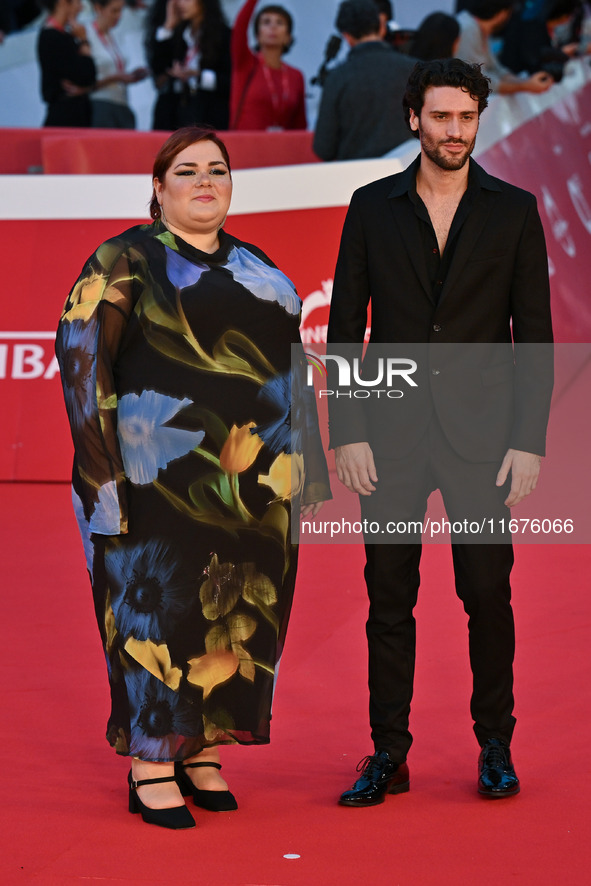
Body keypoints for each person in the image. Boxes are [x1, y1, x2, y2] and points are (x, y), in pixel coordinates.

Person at [55, 127, 330, 829]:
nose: (205, 181)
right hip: (153, 482)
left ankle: (202, 744)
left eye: (217, 170)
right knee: (159, 615)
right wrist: (102, 474)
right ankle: (152, 759)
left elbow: (289, 368)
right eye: (187, 171)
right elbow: (84, 364)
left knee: (234, 619)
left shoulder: (257, 264)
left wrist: (303, 472)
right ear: (158, 187)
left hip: (246, 487)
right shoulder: (124, 258)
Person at [326, 58, 553, 806]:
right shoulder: (369, 206)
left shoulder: (514, 209)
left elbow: (535, 335)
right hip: (387, 437)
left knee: (485, 593)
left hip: (482, 441)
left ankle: (495, 744)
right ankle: (388, 752)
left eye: (465, 117)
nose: (453, 131)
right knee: (388, 598)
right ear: (411, 120)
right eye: (439, 117)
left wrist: (528, 441)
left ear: (477, 118)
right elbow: (344, 329)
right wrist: (347, 431)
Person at [313, 0, 416, 162]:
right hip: (410, 173)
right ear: (382, 28)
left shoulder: (338, 77)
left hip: (357, 177)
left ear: (346, 36)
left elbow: (323, 148)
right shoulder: (415, 69)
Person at [149, 0, 231, 131]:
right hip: (176, 116)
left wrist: (199, 76)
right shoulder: (177, 34)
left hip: (210, 117)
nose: (181, 4)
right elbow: (158, 68)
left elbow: (230, 81)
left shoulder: (224, 35)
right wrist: (168, 26)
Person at [230, 0, 306, 130]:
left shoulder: (296, 76)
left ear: (288, 37)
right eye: (266, 22)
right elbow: (239, 28)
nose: (273, 27)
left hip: (282, 148)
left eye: (280, 22)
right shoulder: (246, 64)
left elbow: (300, 125)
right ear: (257, 35)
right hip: (245, 145)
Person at [455, 0, 554, 92]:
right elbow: (475, 80)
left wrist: (524, 82)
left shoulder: (479, 28)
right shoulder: (468, 28)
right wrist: (525, 85)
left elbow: (495, 68)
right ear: (503, 14)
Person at [87, 0, 148, 128]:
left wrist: (130, 75)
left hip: (121, 102)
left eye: (121, 10)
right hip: (101, 103)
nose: (118, 16)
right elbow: (85, 81)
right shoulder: (87, 35)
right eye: (114, 11)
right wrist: (116, 77)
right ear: (99, 8)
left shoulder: (113, 34)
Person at [37, 0, 96, 127]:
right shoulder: (52, 37)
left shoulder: (65, 36)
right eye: (77, 2)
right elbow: (87, 75)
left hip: (76, 115)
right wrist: (84, 41)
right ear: (63, 2)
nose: (81, 8)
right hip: (65, 119)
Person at [500, 0, 588, 79]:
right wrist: (560, 53)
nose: (570, 19)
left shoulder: (543, 25)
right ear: (564, 16)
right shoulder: (533, 28)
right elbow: (535, 61)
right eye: (571, 16)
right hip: (515, 79)